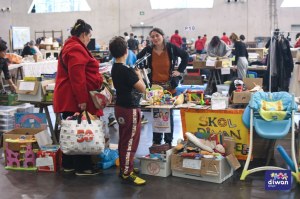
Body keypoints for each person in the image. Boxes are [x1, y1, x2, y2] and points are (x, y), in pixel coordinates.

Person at [53, 19, 103, 176]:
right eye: (89, 36)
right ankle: (83, 167)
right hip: (73, 97)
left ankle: (68, 164)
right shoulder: (75, 49)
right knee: (81, 131)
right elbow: (77, 78)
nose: (89, 40)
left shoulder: (71, 46)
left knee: (71, 130)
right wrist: (82, 100)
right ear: (83, 34)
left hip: (69, 96)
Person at [137, 27, 188, 146]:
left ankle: (168, 142)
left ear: (162, 36)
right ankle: (156, 142)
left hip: (169, 87)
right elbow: (137, 59)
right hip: (155, 89)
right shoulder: (148, 50)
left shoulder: (170, 48)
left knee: (168, 115)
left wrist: (179, 71)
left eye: (157, 35)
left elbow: (185, 56)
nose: (155, 38)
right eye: (152, 36)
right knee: (156, 116)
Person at [109, 36, 146, 185]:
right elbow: (142, 88)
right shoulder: (127, 70)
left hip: (120, 107)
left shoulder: (114, 68)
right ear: (126, 51)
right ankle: (126, 172)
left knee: (124, 139)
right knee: (130, 140)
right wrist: (139, 75)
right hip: (130, 109)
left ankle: (126, 167)